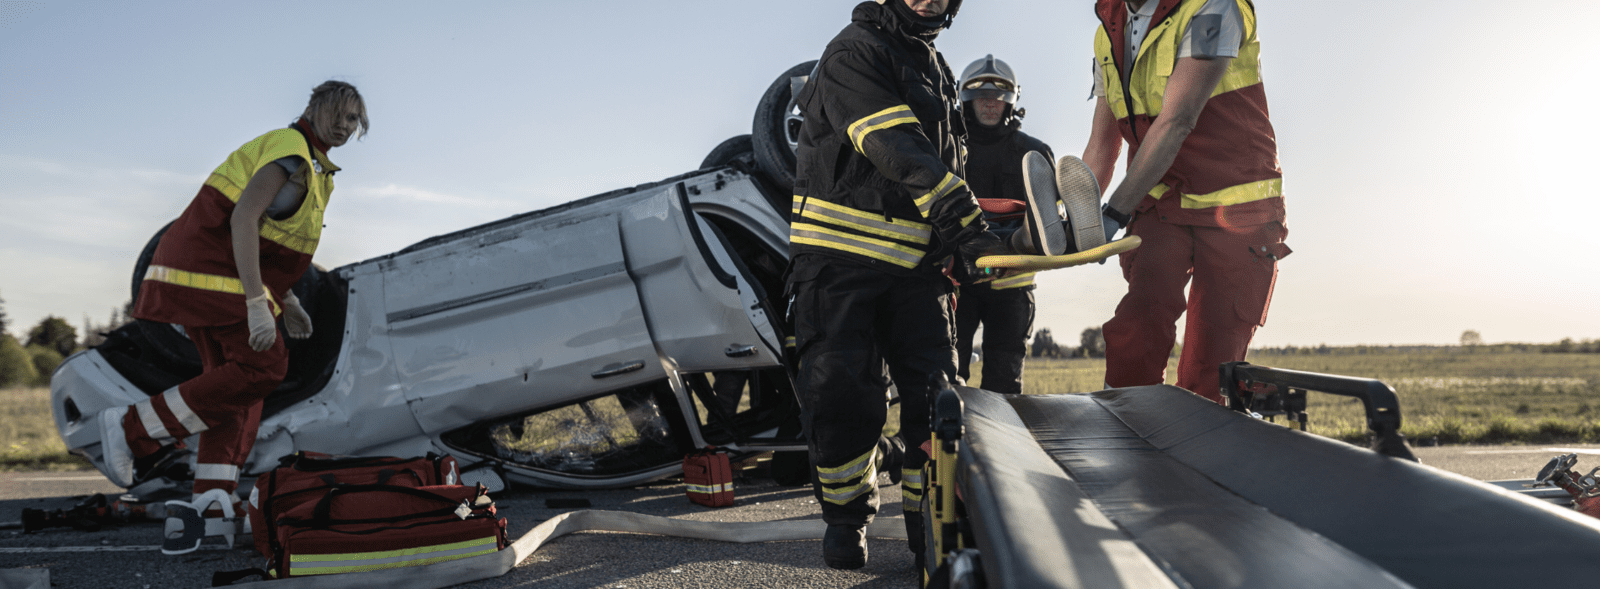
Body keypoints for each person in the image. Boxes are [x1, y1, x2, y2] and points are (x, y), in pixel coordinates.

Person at [786, 0, 1000, 571]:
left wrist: (965, 235)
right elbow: (895, 145)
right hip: (840, 266)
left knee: (937, 404)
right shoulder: (855, 51)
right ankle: (845, 521)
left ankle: (929, 531)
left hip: (918, 273)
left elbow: (944, 158)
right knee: (844, 399)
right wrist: (964, 221)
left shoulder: (932, 62)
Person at [97, 81, 368, 515]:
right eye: (336, 113)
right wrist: (257, 303)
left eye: (353, 119)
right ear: (313, 108)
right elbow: (244, 219)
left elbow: (271, 243)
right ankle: (133, 428)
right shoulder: (291, 151)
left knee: (232, 386)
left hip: (216, 272)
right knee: (262, 366)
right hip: (210, 272)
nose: (344, 125)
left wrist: (289, 299)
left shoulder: (316, 170)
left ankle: (211, 497)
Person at [1085, 0, 1290, 404]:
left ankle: (1199, 454)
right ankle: (1122, 431)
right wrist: (1075, 215)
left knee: (1212, 358)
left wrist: (1113, 212)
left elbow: (1177, 121)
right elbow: (1100, 146)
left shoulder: (1214, 8)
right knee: (1138, 321)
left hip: (1237, 207)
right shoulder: (1107, 31)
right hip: (1162, 199)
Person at [952, 54, 1053, 396]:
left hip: (1012, 285)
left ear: (1010, 101)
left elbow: (1046, 219)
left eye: (997, 98)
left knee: (1005, 387)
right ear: (966, 100)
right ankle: (951, 449)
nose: (990, 104)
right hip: (957, 283)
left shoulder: (1035, 155)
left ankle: (1003, 449)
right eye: (982, 97)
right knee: (949, 378)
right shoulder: (946, 152)